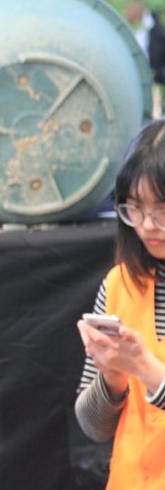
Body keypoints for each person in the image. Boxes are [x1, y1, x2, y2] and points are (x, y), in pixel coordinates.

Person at [75, 118, 165, 489]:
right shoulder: (119, 283)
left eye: (162, 211)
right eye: (134, 208)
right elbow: (94, 428)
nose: (147, 225)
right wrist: (112, 375)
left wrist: (146, 369)